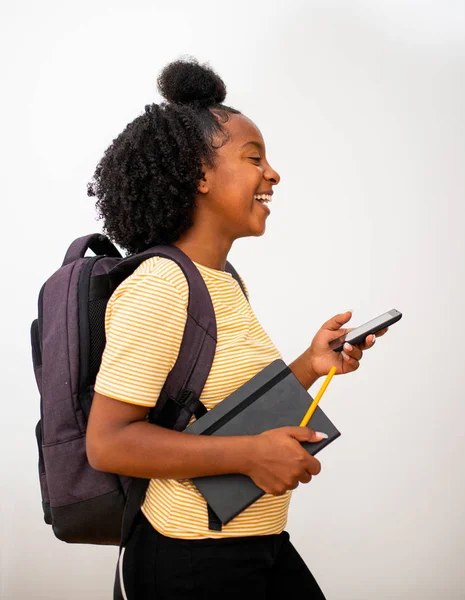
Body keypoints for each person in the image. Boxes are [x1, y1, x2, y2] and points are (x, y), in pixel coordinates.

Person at [86, 56, 387, 599]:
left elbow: (220, 406)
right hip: (191, 561)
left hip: (256, 542)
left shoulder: (221, 278)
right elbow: (108, 443)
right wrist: (250, 455)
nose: (272, 173)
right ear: (199, 175)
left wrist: (309, 364)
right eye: (255, 158)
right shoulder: (161, 283)